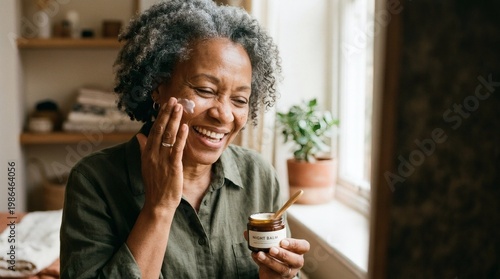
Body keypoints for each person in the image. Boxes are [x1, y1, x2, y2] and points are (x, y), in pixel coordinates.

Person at [60, 0, 310, 278]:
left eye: (240, 99)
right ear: (157, 87)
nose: (224, 115)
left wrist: (281, 275)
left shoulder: (259, 176)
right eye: (204, 90)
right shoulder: (94, 181)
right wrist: (159, 207)